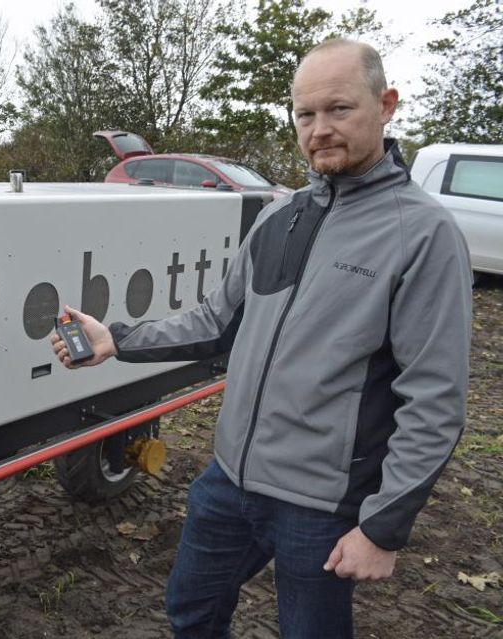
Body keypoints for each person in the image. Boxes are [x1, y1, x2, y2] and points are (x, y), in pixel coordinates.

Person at [51, 38, 472, 639]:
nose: (319, 129)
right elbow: (216, 321)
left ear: (386, 106)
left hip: (322, 505)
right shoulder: (281, 217)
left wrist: (382, 527)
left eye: (339, 109)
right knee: (191, 612)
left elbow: (434, 399)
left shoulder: (424, 234)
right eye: (306, 114)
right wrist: (115, 340)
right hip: (229, 482)